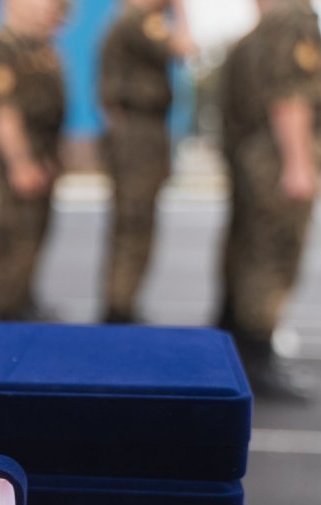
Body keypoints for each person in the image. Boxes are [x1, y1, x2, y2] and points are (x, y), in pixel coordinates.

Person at [217, 0, 321, 400]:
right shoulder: (294, 19)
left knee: (248, 251)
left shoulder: (252, 36)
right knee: (273, 256)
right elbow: (290, 93)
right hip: (277, 157)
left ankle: (235, 345)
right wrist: (299, 163)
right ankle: (256, 358)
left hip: (254, 155)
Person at [97, 0, 194, 324]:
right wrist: (180, 11)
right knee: (134, 223)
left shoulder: (127, 22)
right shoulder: (139, 21)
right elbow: (183, 47)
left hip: (139, 131)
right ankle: (119, 309)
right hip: (137, 133)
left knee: (134, 223)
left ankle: (122, 304)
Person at [0, 0, 66, 322]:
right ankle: (8, 312)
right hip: (20, 157)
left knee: (33, 235)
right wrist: (20, 162)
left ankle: (24, 301)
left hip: (42, 154)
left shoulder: (37, 46)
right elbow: (4, 113)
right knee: (15, 235)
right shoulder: (3, 48)